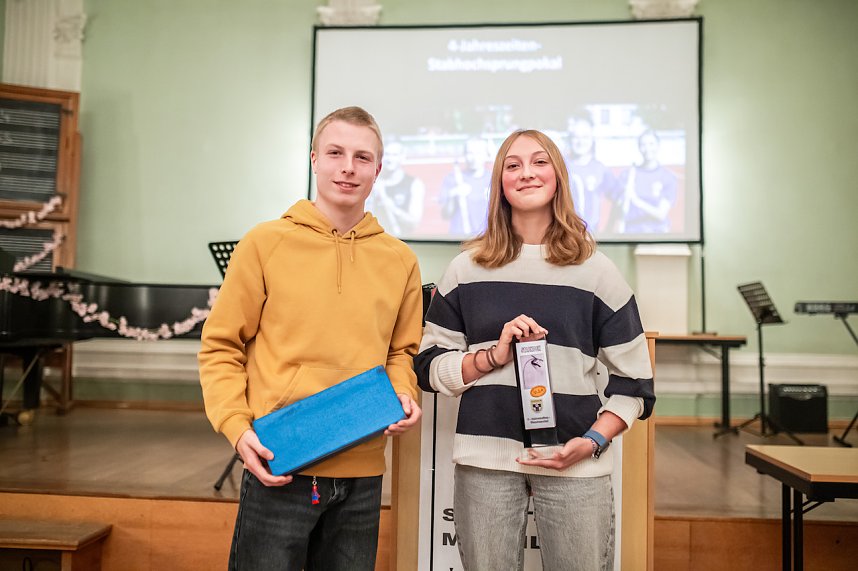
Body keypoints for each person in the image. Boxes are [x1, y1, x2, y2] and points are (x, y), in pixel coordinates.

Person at [415, 129, 655, 570]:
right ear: (500, 183)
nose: (527, 173)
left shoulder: (596, 272)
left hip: (575, 465)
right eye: (513, 165)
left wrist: (590, 443)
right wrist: (491, 355)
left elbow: (635, 384)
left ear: (559, 176)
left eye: (540, 162)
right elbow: (428, 366)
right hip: (484, 465)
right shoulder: (466, 269)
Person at [198, 106, 423, 571]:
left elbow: (402, 350)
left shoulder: (399, 259)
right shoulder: (264, 243)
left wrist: (404, 390)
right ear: (314, 159)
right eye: (336, 153)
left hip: (363, 469)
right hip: (281, 458)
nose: (348, 167)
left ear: (378, 170)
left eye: (363, 157)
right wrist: (237, 429)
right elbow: (220, 347)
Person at [616, 128, 678, 233]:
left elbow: (661, 214)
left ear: (658, 146)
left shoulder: (667, 177)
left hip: (659, 234)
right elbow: (620, 209)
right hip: (630, 234)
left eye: (651, 144)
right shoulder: (628, 174)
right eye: (643, 145)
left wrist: (636, 201)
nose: (647, 148)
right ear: (639, 147)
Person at [565, 116, 620, 232]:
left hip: (590, 238)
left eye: (585, 137)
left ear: (592, 139)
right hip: (562, 238)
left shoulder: (600, 169)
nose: (580, 142)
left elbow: (618, 199)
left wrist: (609, 229)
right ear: (570, 139)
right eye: (576, 137)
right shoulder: (560, 166)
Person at [369, 139, 426, 236]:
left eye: (394, 155)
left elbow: (414, 222)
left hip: (404, 241)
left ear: (402, 157)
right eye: (387, 154)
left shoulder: (414, 184)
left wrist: (392, 207)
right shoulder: (372, 183)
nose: (390, 159)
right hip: (373, 242)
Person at [437, 137, 492, 238]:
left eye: (478, 153)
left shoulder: (494, 179)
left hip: (487, 239)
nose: (474, 157)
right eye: (469, 153)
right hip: (458, 239)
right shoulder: (452, 178)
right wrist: (453, 195)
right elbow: (445, 214)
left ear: (486, 155)